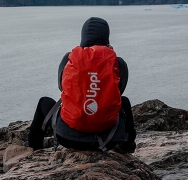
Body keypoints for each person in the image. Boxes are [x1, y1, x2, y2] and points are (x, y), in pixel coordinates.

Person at [27, 17, 136, 153]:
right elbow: (118, 91)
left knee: (44, 102)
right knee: (124, 101)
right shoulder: (117, 62)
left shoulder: (69, 58)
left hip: (68, 138)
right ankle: (127, 145)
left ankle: (34, 147)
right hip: (108, 140)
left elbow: (62, 87)